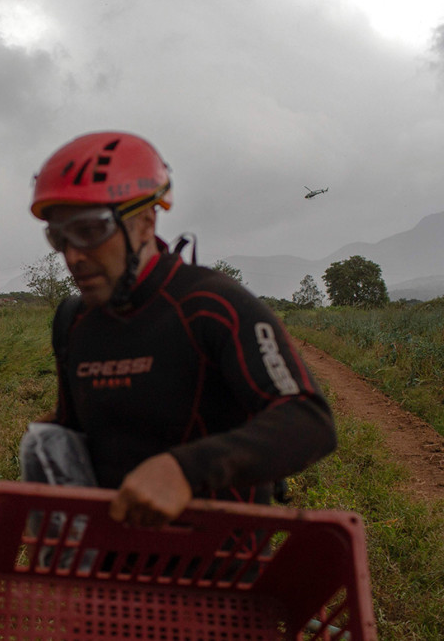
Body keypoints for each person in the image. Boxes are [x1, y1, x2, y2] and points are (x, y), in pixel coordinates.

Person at [23, 131, 336, 528]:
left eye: (89, 231)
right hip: (107, 561)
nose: (73, 256)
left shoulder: (213, 305)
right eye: (59, 237)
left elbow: (309, 421)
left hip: (213, 565)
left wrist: (184, 470)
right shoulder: (73, 319)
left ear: (144, 220)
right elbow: (76, 428)